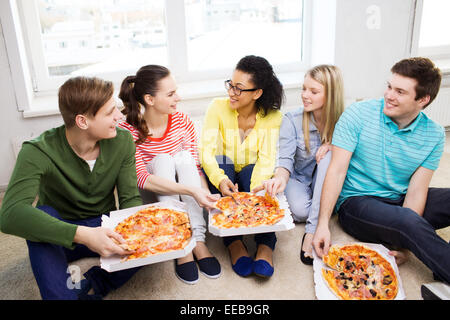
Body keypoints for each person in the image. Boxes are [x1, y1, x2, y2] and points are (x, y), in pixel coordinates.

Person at [312, 57, 450, 290]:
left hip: (400, 200)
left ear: (423, 99)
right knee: (407, 221)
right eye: (389, 86)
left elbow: (417, 191)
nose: (389, 95)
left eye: (400, 91)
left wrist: (405, 243)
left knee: (410, 218)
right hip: (357, 204)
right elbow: (336, 171)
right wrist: (322, 224)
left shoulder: (434, 135)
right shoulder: (358, 114)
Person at [0, 76, 143, 300]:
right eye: (109, 112)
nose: (119, 116)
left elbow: (130, 198)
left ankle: (94, 284)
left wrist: (135, 232)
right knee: (39, 217)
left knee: (146, 235)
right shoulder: (36, 151)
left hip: (105, 228)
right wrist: (83, 235)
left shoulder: (122, 140)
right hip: (60, 232)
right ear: (82, 121)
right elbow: (10, 215)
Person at [118, 65, 221, 285]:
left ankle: (198, 240)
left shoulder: (182, 122)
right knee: (164, 159)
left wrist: (204, 193)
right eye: (171, 94)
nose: (179, 98)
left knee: (183, 156)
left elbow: (194, 165)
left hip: (184, 191)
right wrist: (192, 190)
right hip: (153, 195)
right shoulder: (128, 131)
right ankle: (179, 240)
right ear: (150, 99)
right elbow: (141, 179)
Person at [200, 55, 284, 278]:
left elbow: (267, 159)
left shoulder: (273, 117)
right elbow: (205, 151)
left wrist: (251, 196)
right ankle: (234, 242)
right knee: (220, 163)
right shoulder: (216, 107)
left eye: (239, 88)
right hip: (225, 169)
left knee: (254, 175)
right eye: (230, 85)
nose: (231, 92)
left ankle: (266, 243)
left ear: (257, 93)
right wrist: (220, 180)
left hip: (252, 171)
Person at [254, 65, 345, 265]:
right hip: (299, 179)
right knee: (301, 211)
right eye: (304, 88)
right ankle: (322, 209)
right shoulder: (292, 120)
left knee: (329, 156)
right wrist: (279, 178)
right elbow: (285, 160)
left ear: (330, 95)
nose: (305, 95)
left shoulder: (344, 122)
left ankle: (312, 231)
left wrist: (332, 145)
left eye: (313, 91)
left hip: (329, 180)